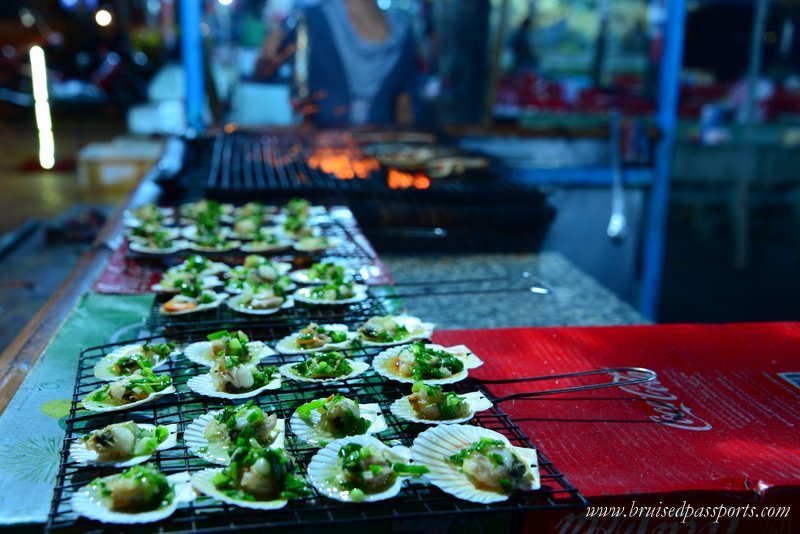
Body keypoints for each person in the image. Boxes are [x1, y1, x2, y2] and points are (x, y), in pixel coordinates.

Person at [255, 0, 416, 126]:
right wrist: (269, 48)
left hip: (378, 154)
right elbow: (264, 72)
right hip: (318, 154)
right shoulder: (311, 20)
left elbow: (404, 109)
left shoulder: (403, 35)